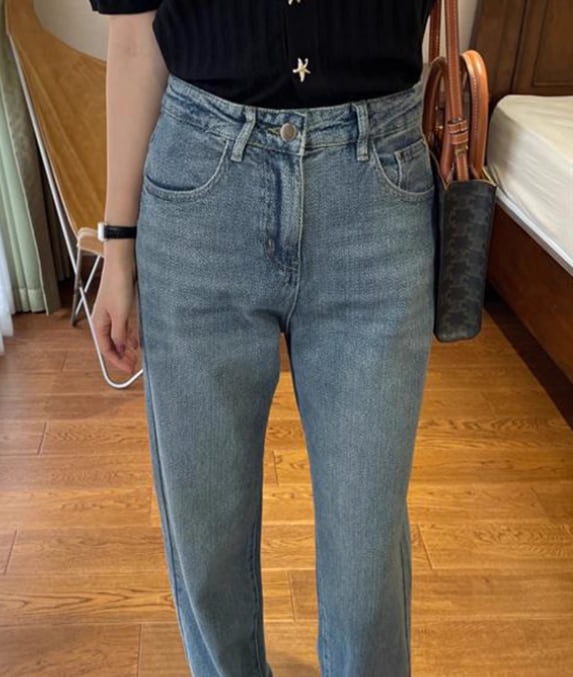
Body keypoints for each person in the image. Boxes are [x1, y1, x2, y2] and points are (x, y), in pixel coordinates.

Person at [89, 2, 437, 675]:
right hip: (200, 188)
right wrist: (118, 244)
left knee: (367, 563)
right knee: (204, 540)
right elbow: (133, 36)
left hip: (375, 185)